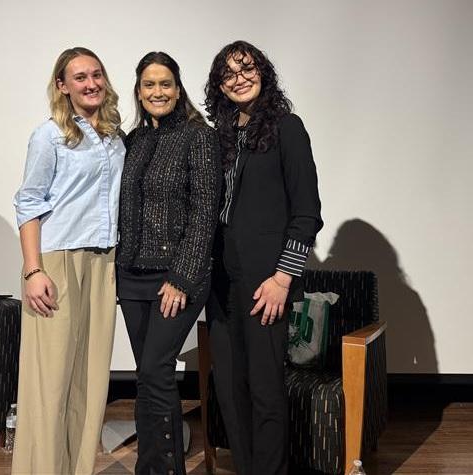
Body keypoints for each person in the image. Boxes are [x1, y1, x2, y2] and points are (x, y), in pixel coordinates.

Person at [203, 40, 323, 475]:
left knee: (265, 391)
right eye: (229, 74)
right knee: (230, 392)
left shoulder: (287, 127)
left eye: (246, 68)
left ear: (263, 72)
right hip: (219, 283)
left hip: (265, 284)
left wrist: (282, 278)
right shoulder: (218, 134)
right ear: (220, 84)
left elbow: (308, 213)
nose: (239, 79)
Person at [11, 47, 125, 475]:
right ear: (62, 85)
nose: (91, 83)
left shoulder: (115, 137)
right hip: (56, 262)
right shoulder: (49, 135)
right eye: (80, 77)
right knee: (50, 381)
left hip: (103, 262)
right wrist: (33, 269)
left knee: (91, 382)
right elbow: (28, 203)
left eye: (97, 74)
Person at [117, 51, 220, 475]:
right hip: (131, 275)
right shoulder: (133, 141)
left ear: (178, 90)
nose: (157, 92)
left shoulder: (199, 137)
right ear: (139, 92)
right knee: (147, 376)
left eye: (165, 84)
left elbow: (204, 212)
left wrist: (181, 277)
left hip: (176, 277)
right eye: (148, 85)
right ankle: (155, 464)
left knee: (157, 372)